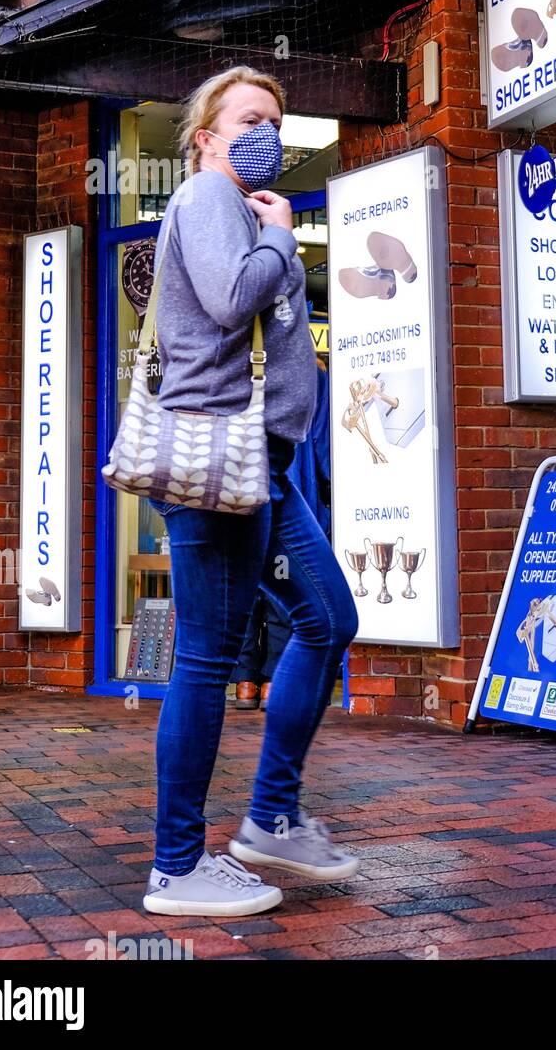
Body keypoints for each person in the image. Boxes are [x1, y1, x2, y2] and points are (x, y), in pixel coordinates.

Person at [141, 66, 359, 918]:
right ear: (206, 138)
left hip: (263, 459)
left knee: (329, 618)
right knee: (204, 657)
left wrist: (275, 237)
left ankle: (271, 816)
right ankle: (177, 866)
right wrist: (282, 239)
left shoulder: (245, 212)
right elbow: (234, 301)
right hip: (213, 455)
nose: (265, 132)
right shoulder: (205, 198)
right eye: (247, 120)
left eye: (275, 118)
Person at [233, 358, 332, 710]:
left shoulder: (227, 360)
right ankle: (274, 680)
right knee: (283, 586)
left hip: (231, 489)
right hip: (287, 489)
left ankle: (245, 681)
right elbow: (321, 444)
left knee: (245, 589)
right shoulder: (308, 371)